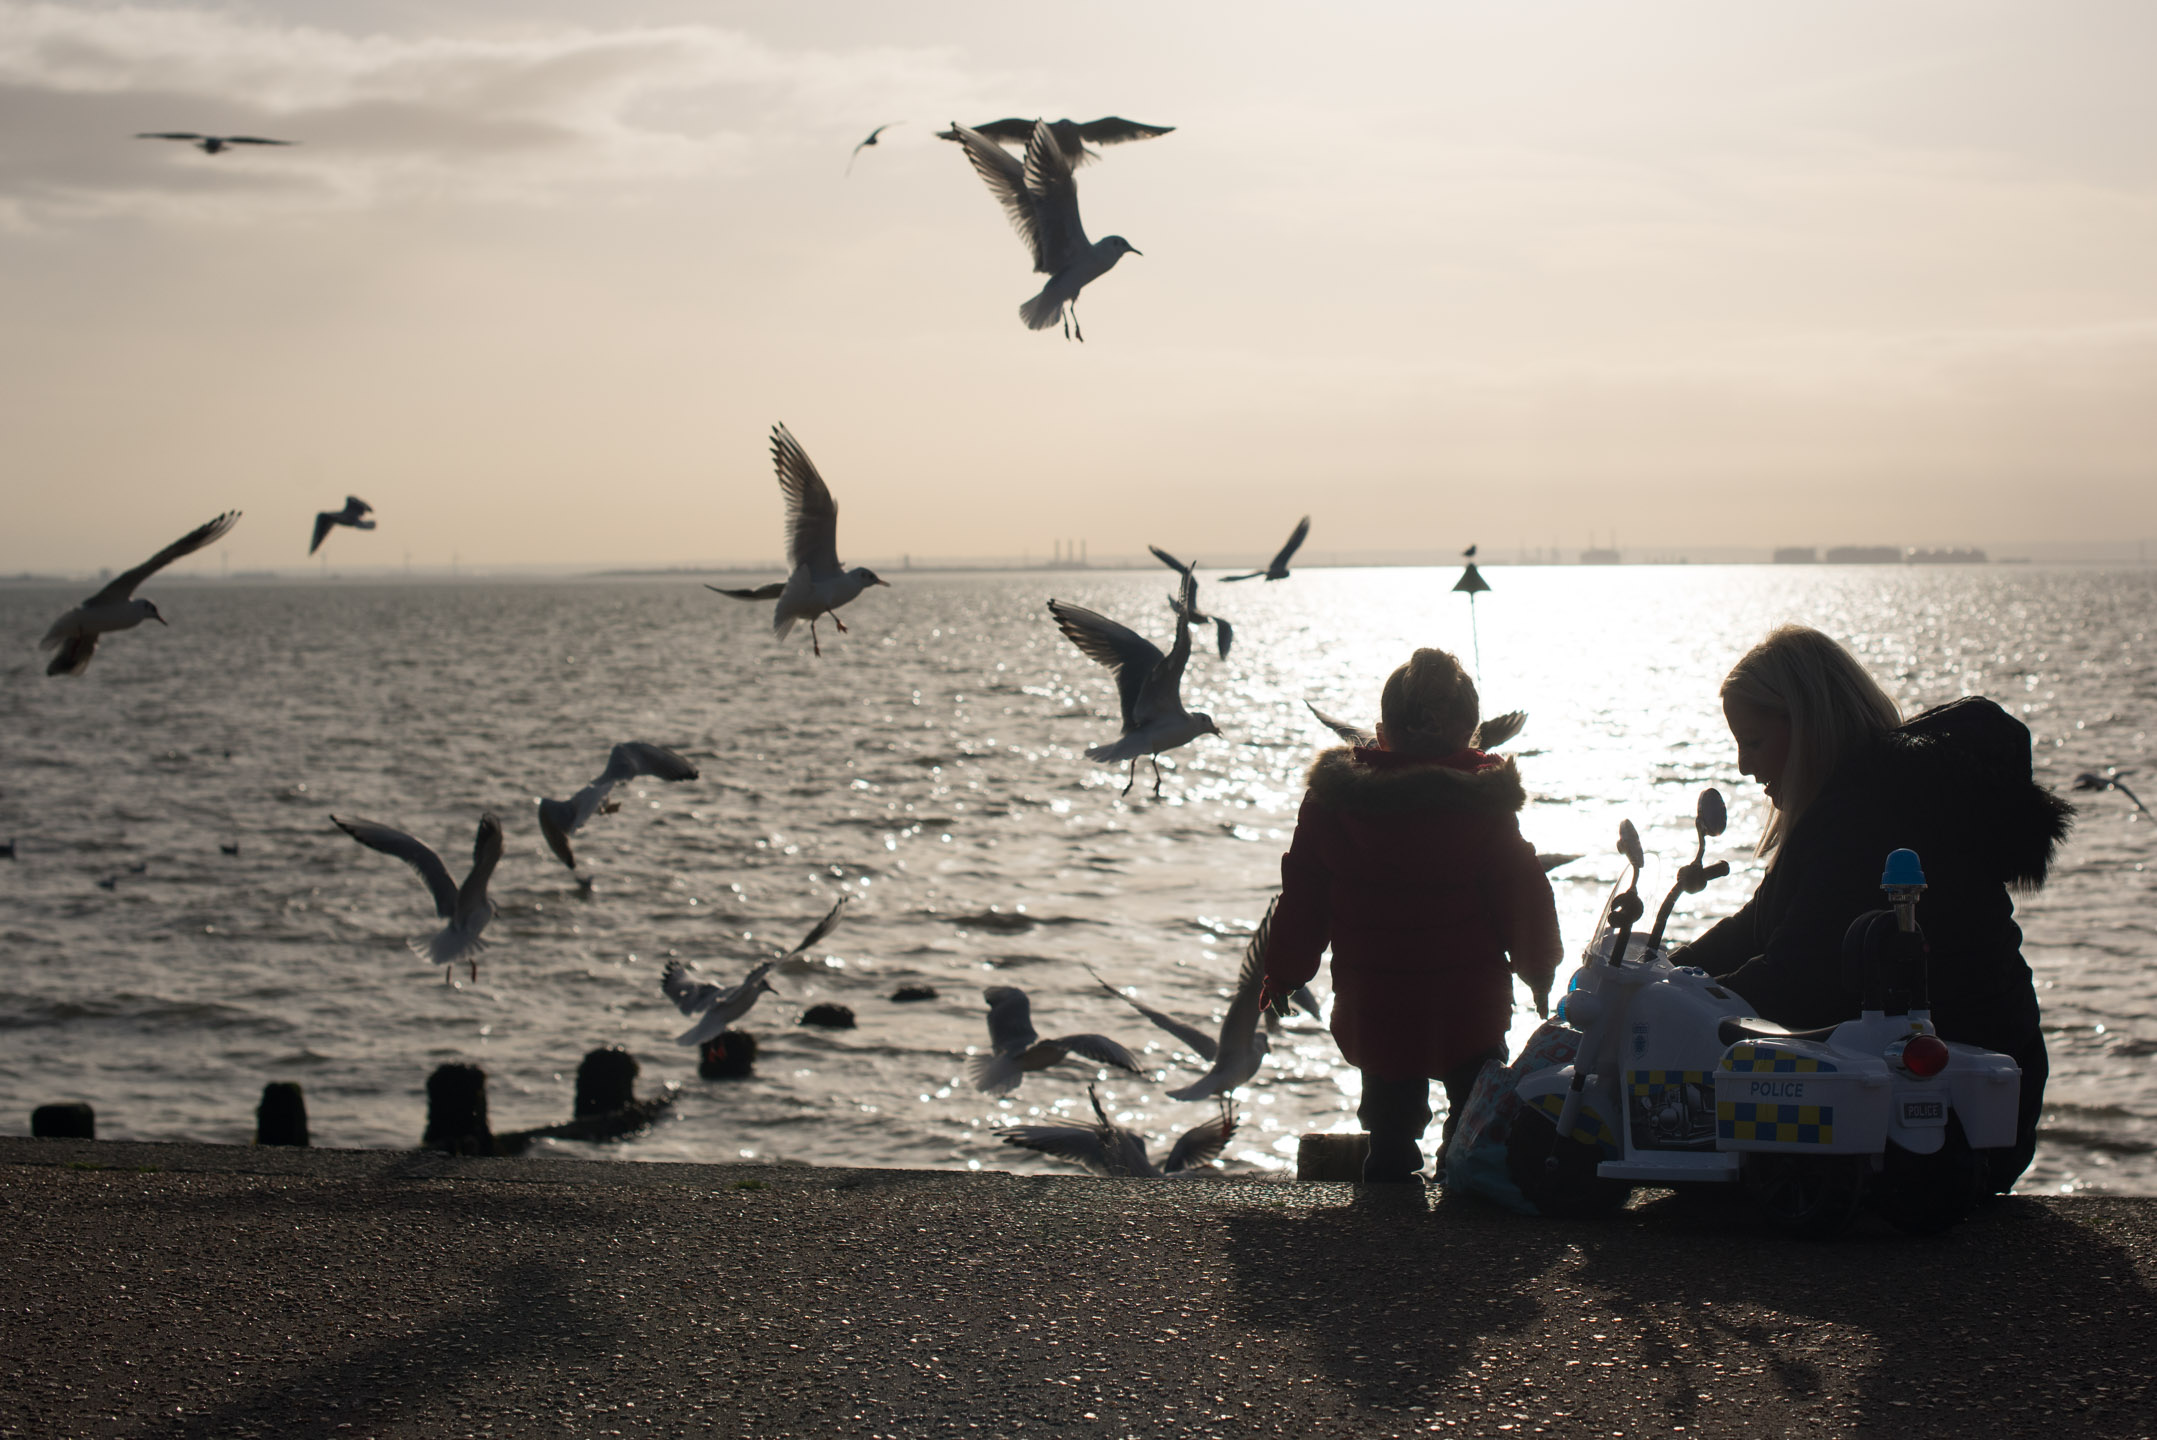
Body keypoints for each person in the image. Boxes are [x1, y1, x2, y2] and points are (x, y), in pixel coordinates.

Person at [1672, 625, 2072, 1192]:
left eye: (1754, 742)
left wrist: (1676, 1005)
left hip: (1948, 1124)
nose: (1742, 765)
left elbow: (1796, 976)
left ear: (1805, 724)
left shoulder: (1866, 815)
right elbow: (1759, 927)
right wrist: (1668, 970)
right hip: (1981, 1102)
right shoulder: (1865, 795)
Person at [1260, 648, 1562, 1183]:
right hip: (1469, 998)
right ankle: (1460, 1167)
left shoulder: (1334, 803)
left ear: (1381, 731)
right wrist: (1537, 966)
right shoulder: (1485, 804)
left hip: (1377, 999)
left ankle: (1391, 1162)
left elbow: (1304, 898)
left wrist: (1284, 972)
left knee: (1389, 1093)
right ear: (1471, 733)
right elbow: (1524, 890)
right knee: (1474, 1090)